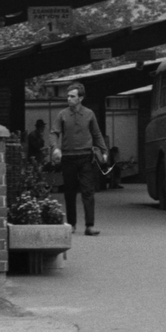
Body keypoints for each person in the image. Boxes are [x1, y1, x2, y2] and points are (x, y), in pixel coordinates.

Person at [56, 83, 108, 235]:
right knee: (69, 192)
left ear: (81, 98)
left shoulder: (89, 114)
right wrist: (55, 148)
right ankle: (71, 224)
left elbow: (97, 134)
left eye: (72, 96)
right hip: (68, 158)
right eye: (68, 96)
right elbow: (54, 132)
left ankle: (89, 226)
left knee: (88, 191)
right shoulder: (62, 115)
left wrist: (104, 151)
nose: (69, 99)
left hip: (86, 157)